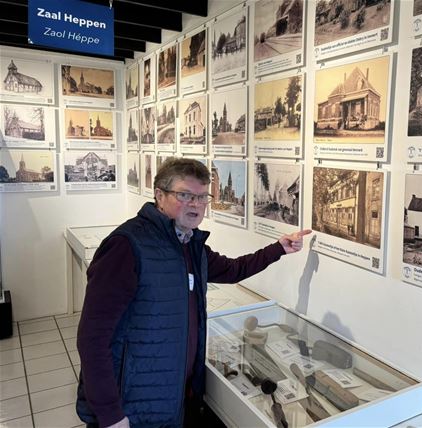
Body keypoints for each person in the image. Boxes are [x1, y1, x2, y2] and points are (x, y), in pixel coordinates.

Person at [76, 158, 311, 428]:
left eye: (202, 197)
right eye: (185, 195)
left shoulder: (189, 244)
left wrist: (278, 248)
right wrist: (110, 414)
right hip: (134, 401)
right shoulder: (126, 246)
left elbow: (233, 269)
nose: (196, 204)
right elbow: (92, 338)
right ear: (159, 195)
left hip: (172, 394)